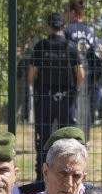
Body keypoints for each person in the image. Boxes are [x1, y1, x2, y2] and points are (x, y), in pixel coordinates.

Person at [28, 12, 84, 180]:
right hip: (66, 99)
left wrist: (37, 88)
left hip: (44, 98)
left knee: (43, 140)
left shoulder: (40, 46)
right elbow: (80, 73)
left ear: (48, 27)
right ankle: (69, 173)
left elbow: (32, 73)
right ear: (63, 27)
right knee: (69, 139)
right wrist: (75, 90)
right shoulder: (70, 47)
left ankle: (41, 176)